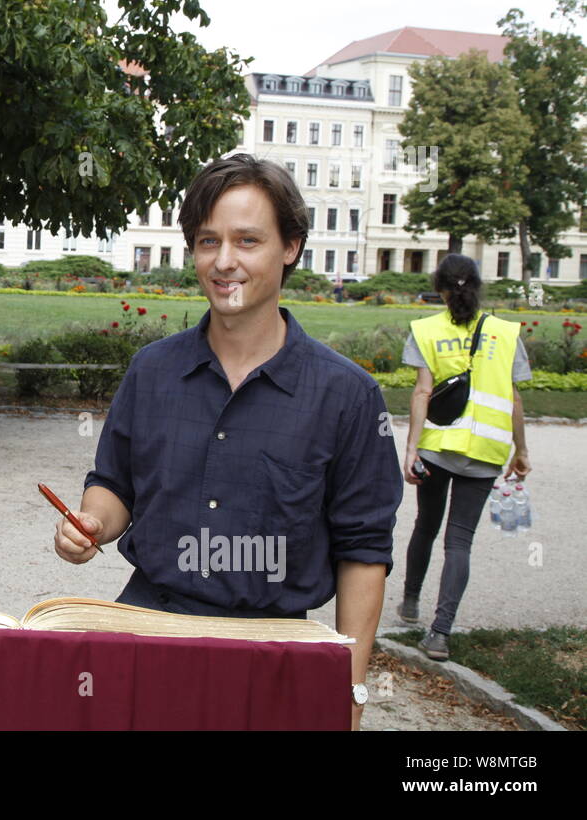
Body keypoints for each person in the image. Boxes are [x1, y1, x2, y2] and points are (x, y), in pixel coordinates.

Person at [53, 154, 401, 730]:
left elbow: (363, 553)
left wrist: (350, 691)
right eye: (208, 241)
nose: (225, 261)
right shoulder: (151, 370)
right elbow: (114, 484)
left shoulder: (349, 395)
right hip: (148, 632)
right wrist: (91, 522)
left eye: (247, 240)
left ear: (290, 247)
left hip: (273, 650)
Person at [399, 254, 531, 661]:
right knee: (461, 541)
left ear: (439, 288)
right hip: (487, 452)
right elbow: (514, 397)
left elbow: (423, 392)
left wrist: (411, 448)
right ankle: (440, 634)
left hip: (438, 449)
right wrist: (521, 450)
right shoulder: (506, 333)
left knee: (426, 525)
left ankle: (410, 603)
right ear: (477, 284)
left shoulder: (426, 329)